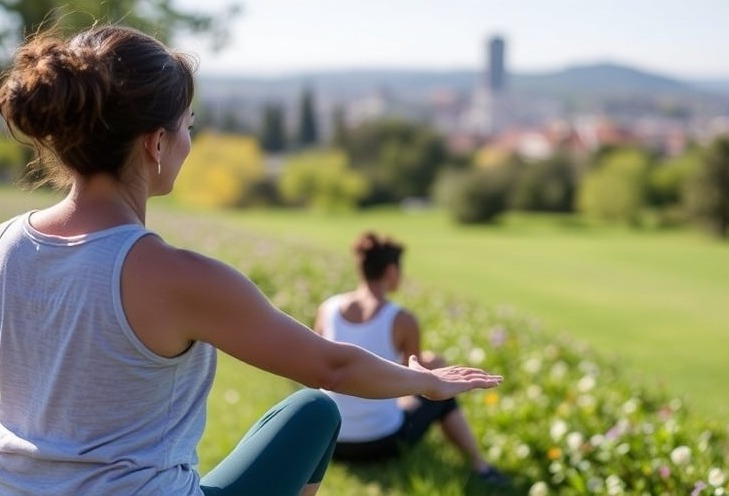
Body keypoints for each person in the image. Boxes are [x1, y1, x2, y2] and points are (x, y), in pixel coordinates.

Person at [0, 25, 502, 496]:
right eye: (186, 127)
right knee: (315, 413)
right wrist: (427, 382)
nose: (188, 142)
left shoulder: (6, 244)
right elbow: (334, 368)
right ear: (156, 142)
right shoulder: (178, 276)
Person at [313, 232, 510, 485]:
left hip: (331, 443)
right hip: (381, 443)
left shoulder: (327, 309)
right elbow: (409, 380)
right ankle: (481, 467)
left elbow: (325, 364)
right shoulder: (402, 319)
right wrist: (434, 366)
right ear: (392, 271)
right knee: (443, 399)